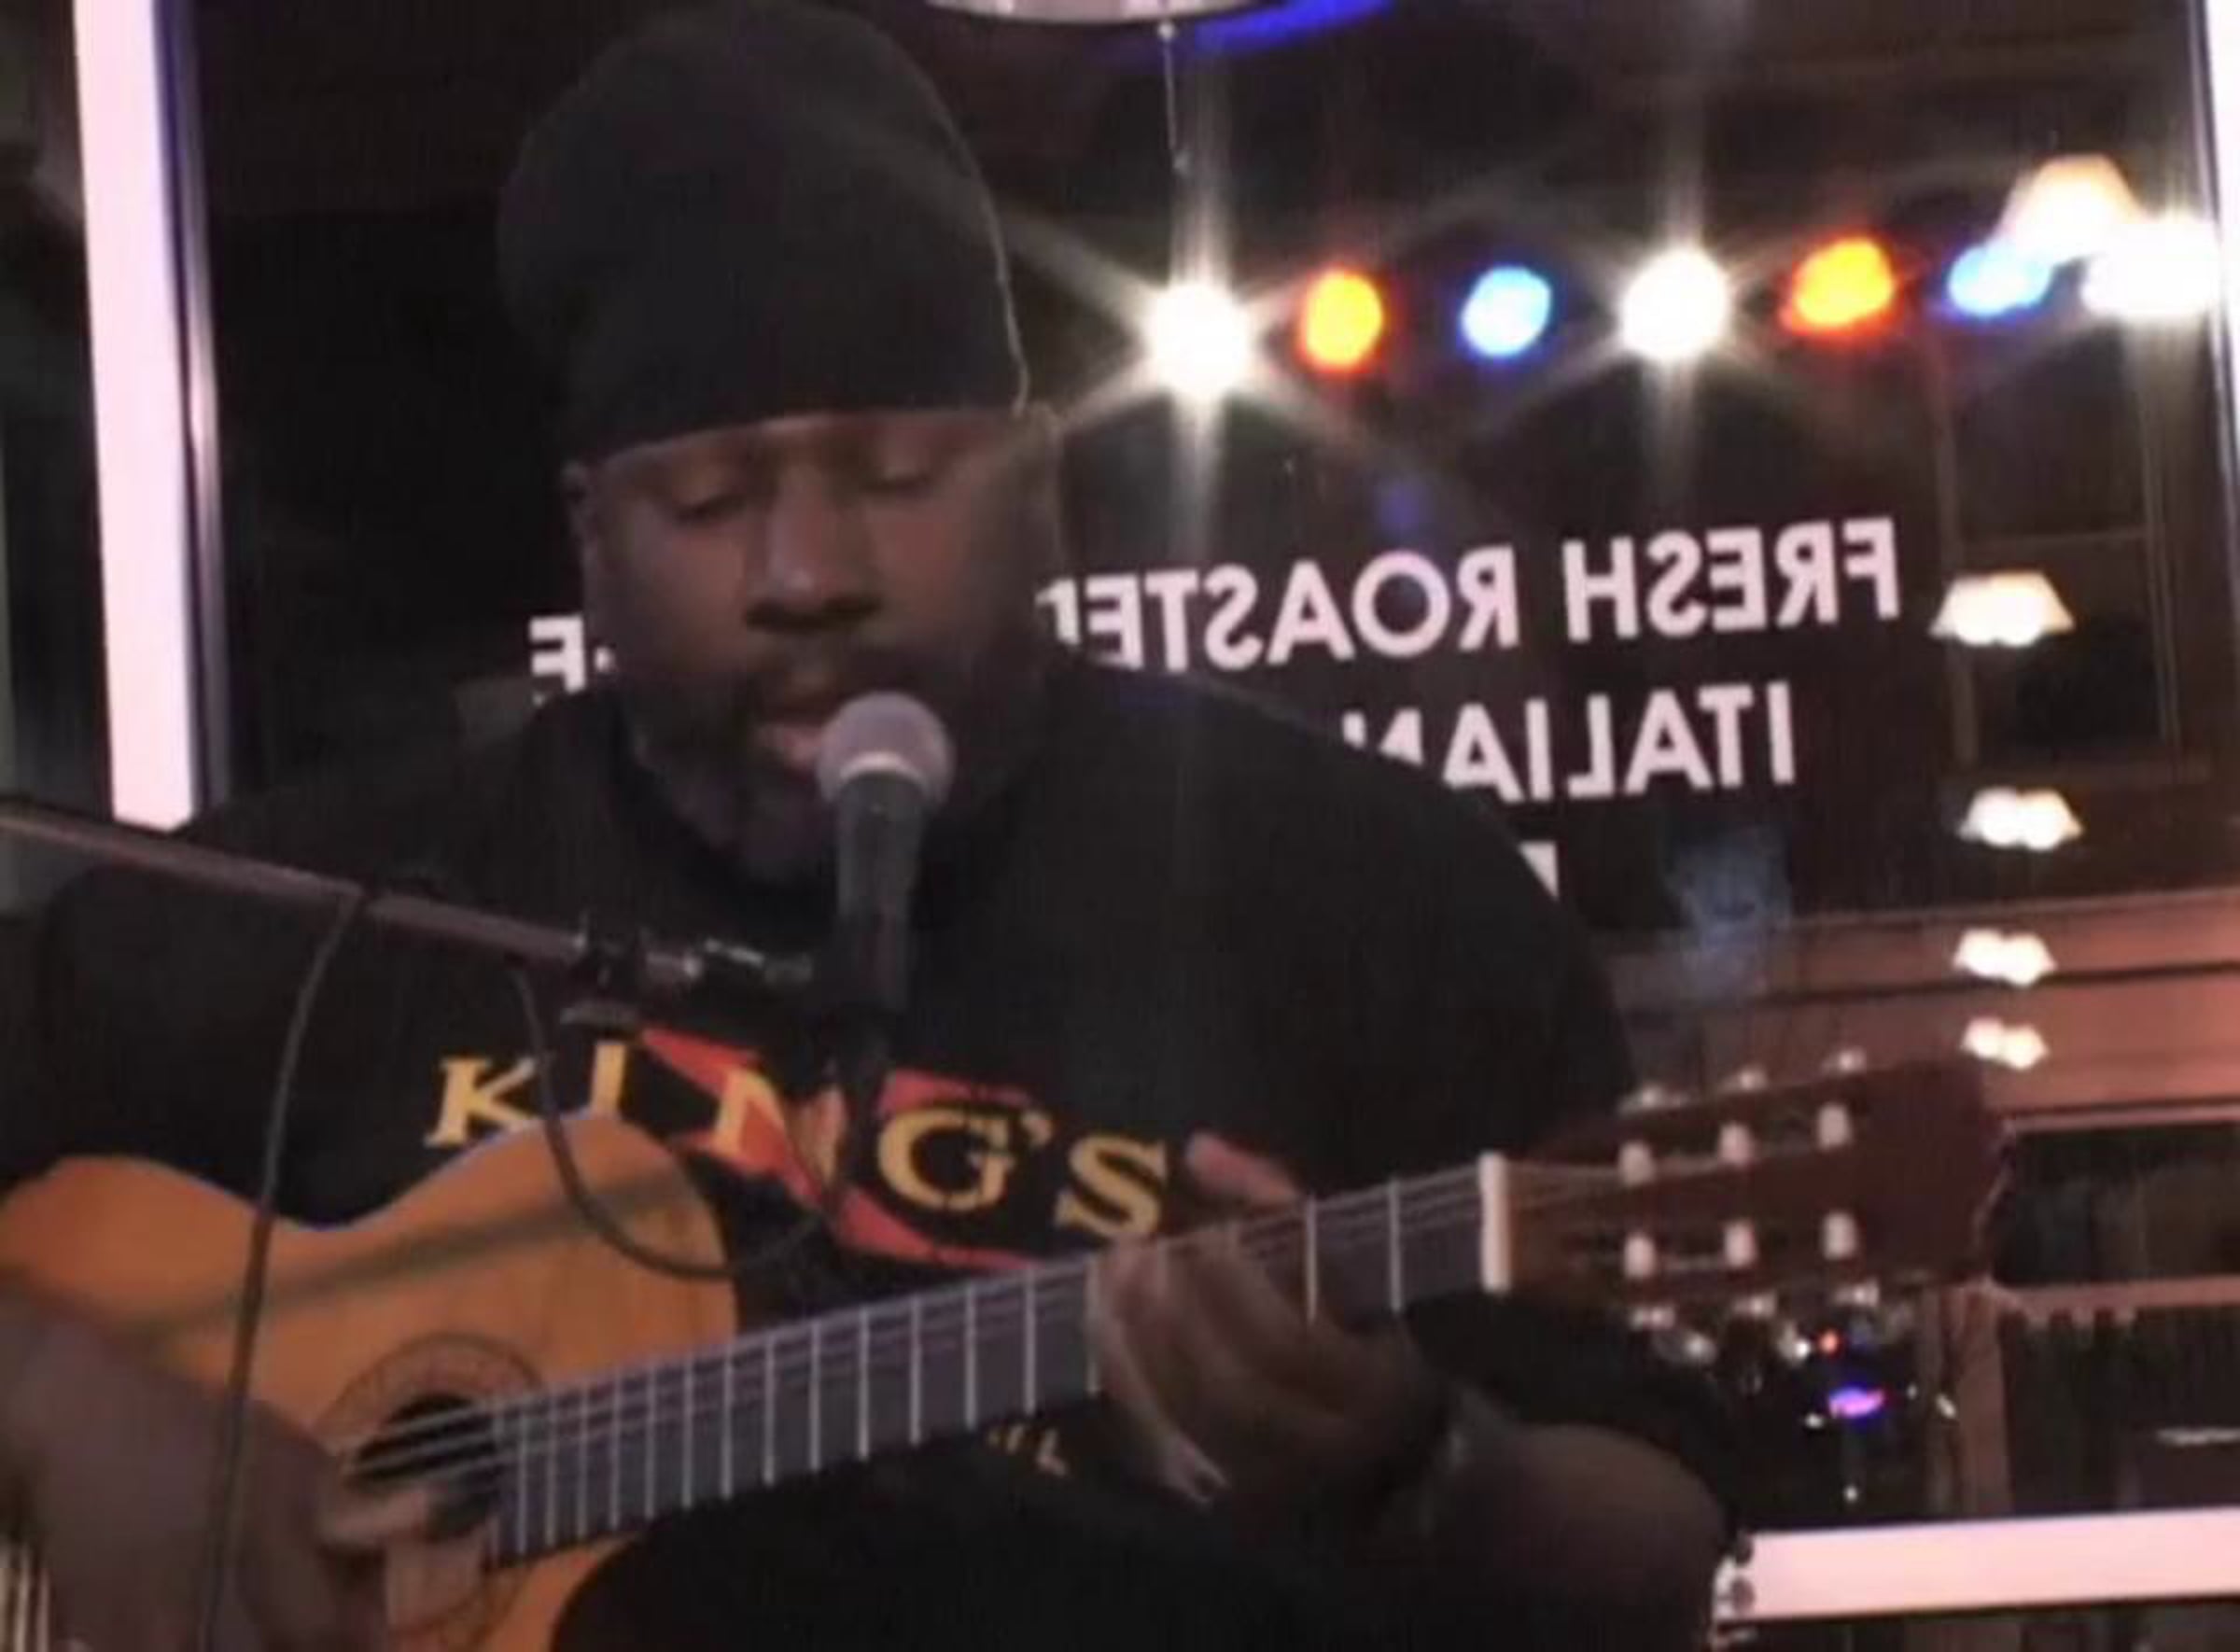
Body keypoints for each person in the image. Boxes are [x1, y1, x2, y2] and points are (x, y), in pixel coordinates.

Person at [0, 3, 1733, 1646]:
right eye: (710, 500)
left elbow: (1659, 1547)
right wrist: (58, 1395)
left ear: (1040, 489)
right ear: (593, 541)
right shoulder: (354, 914)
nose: (808, 572)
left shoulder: (1368, 894)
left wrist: (1423, 1472)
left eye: (896, 477)